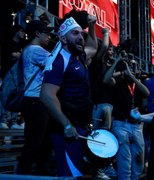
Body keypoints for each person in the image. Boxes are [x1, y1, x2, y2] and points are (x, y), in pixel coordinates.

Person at [40, 14, 97, 177]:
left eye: (81, 34)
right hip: (66, 130)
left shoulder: (79, 56)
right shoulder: (59, 60)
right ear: (63, 40)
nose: (80, 37)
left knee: (79, 172)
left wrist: (92, 27)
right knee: (71, 175)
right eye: (75, 33)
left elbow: (93, 47)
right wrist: (66, 125)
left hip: (79, 128)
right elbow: (46, 95)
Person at [102, 49, 150, 180]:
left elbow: (147, 93)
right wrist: (118, 62)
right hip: (121, 124)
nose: (129, 67)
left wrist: (132, 76)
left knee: (139, 161)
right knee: (125, 162)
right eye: (126, 65)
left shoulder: (135, 82)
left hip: (136, 125)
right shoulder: (116, 82)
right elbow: (106, 80)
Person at [16, 20, 54, 175]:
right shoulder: (35, 50)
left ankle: (34, 172)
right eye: (46, 33)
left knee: (40, 142)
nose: (50, 36)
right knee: (37, 143)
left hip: (33, 100)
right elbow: (56, 63)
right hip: (35, 101)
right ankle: (24, 173)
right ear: (37, 33)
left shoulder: (29, 50)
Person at [89, 28, 117, 179]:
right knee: (98, 139)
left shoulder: (106, 66)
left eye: (113, 50)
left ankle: (103, 167)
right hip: (99, 104)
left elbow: (109, 80)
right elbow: (104, 46)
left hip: (106, 105)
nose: (111, 52)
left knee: (104, 138)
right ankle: (98, 170)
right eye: (111, 49)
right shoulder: (97, 61)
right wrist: (106, 34)